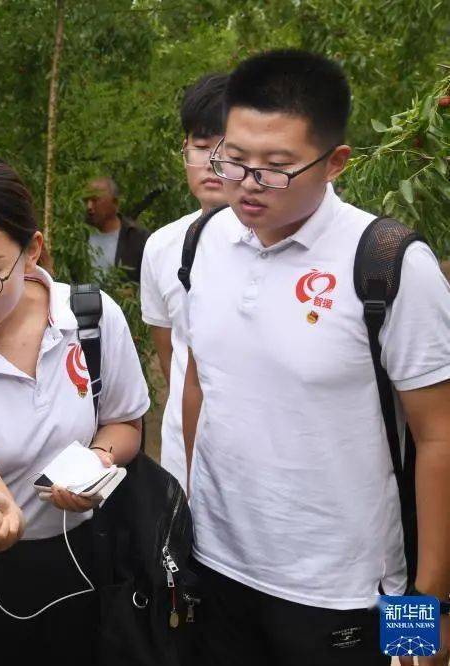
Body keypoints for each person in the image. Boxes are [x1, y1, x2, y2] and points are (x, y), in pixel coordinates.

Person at [181, 50, 450, 665]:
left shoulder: (387, 264)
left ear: (335, 163)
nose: (248, 183)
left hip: (350, 594)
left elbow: (440, 439)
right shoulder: (204, 243)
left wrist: (429, 613)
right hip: (220, 572)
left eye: (276, 168)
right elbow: (201, 384)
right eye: (235, 159)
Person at [0, 157, 151, 665]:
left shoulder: (91, 318)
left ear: (32, 250)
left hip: (89, 560)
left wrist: (98, 461)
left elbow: (126, 422)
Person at [139, 72, 229, 489]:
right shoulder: (161, 246)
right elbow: (171, 358)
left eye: (228, 148)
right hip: (184, 457)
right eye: (201, 146)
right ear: (184, 151)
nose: (213, 163)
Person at [84, 174, 150, 282]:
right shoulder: (78, 236)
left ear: (115, 203)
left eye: (95, 200)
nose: (89, 206)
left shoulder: (137, 238)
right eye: (86, 200)